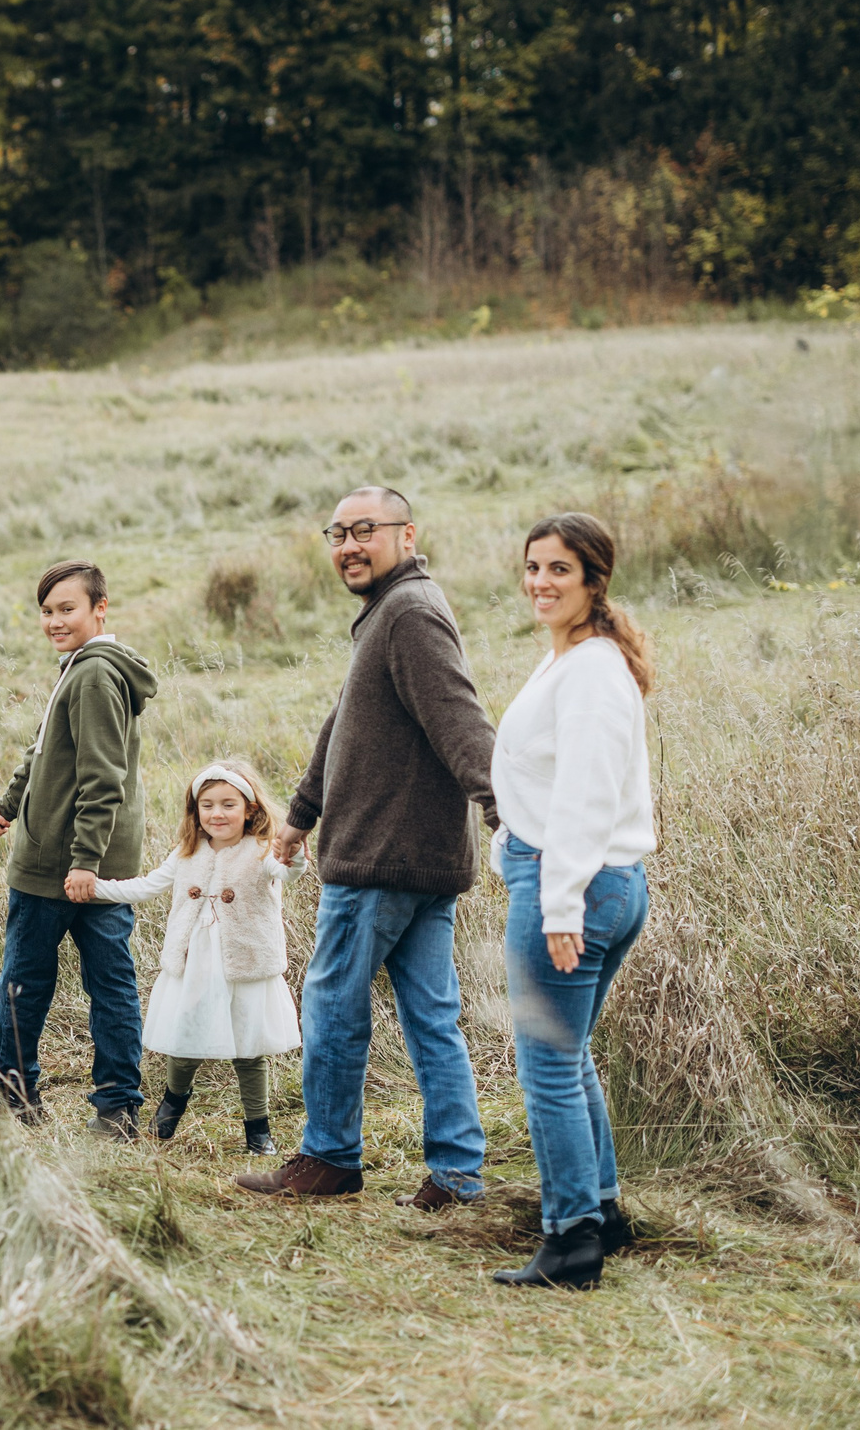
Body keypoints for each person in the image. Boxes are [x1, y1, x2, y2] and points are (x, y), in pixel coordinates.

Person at [234, 485, 498, 1209]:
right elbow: (344, 719)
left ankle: (329, 1155)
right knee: (432, 1017)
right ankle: (456, 1174)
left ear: (407, 533)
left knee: (331, 1005)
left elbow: (460, 721)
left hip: (384, 856)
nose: (348, 545)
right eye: (337, 533)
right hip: (417, 856)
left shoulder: (410, 612)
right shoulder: (387, 613)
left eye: (365, 530)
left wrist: (510, 812)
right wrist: (300, 814)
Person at [489, 512, 657, 1290]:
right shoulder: (571, 658)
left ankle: (570, 1241)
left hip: (577, 882)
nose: (540, 582)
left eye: (559, 569)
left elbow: (586, 795)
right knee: (571, 1055)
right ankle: (603, 1209)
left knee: (547, 1068)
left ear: (594, 578)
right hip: (593, 878)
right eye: (532, 567)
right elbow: (540, 778)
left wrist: (558, 904)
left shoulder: (591, 670)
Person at [0, 560, 159, 1136]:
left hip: (69, 865)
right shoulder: (80, 668)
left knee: (32, 980)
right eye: (47, 611)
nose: (55, 621)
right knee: (105, 980)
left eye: (68, 609)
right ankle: (110, 1104)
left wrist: (84, 859)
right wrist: (10, 805)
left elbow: (103, 776)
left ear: (99, 609)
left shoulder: (93, 675)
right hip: (83, 858)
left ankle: (38, 1095)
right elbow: (43, 752)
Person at [99, 762, 303, 1156]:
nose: (217, 814)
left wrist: (294, 856)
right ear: (196, 812)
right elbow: (146, 886)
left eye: (229, 804)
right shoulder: (187, 852)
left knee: (249, 1046)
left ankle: (258, 1129)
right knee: (186, 1038)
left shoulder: (262, 851)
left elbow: (287, 870)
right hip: (195, 962)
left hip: (242, 962)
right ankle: (172, 1105)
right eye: (207, 805)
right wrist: (97, 889)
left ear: (250, 810)